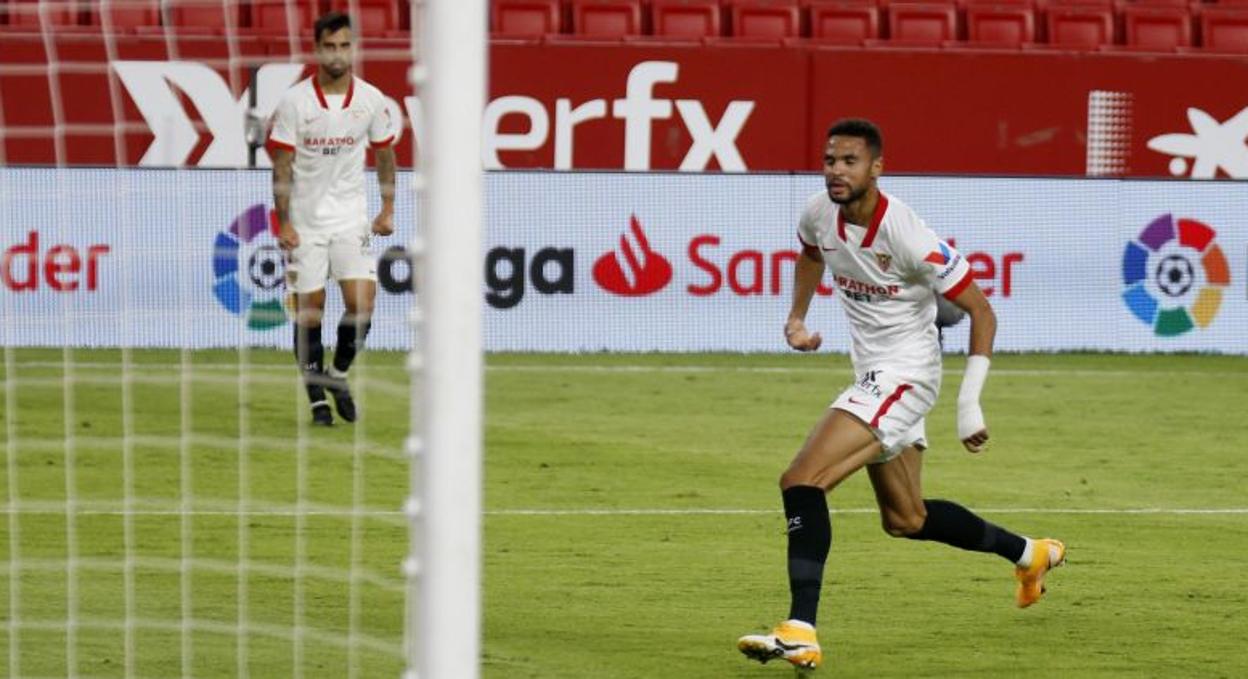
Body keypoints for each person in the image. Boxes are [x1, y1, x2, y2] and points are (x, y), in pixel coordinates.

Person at [737, 119, 1065, 670]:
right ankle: (1030, 554)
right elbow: (812, 254)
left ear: (876, 169)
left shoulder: (908, 234)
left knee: (800, 480)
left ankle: (800, 629)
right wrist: (795, 318)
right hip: (875, 373)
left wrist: (969, 403)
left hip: (905, 376)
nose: (836, 171)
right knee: (906, 519)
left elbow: (982, 311)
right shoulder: (818, 213)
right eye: (830, 160)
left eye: (849, 162)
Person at [268, 11, 398, 426]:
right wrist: (283, 222)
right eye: (330, 46)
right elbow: (282, 166)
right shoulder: (295, 102)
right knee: (311, 310)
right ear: (316, 49)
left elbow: (385, 155)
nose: (338, 54)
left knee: (362, 305)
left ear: (353, 48)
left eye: (344, 45)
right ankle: (316, 401)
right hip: (305, 222)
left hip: (351, 219)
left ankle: (338, 376)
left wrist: (388, 207)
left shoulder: (372, 100)